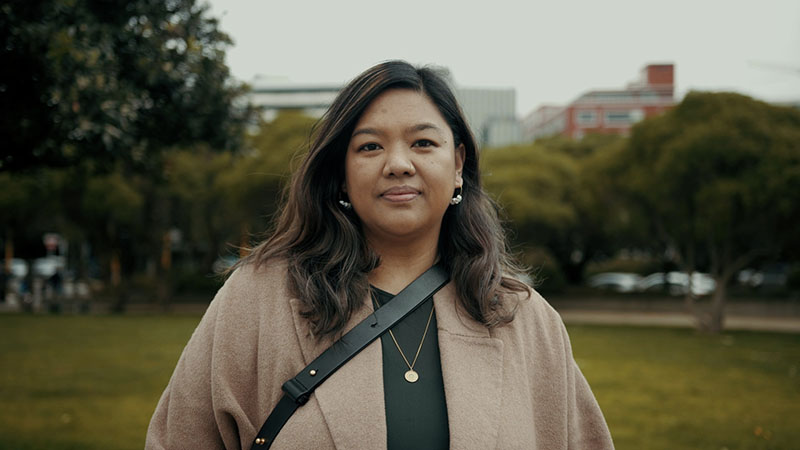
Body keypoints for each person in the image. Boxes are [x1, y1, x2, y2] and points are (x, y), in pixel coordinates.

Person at [146, 60, 614, 450]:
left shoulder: (526, 320)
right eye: (369, 146)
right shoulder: (254, 300)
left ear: (458, 166)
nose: (398, 164)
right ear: (342, 174)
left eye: (423, 143)